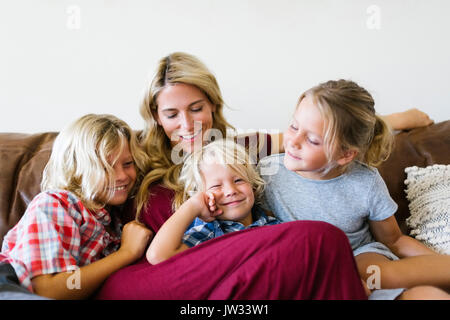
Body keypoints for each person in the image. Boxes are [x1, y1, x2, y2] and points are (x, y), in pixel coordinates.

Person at [96, 52, 432, 300]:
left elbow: (323, 136)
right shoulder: (133, 157)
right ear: (156, 117)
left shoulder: (242, 147)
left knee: (320, 243)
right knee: (320, 239)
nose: (187, 125)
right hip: (168, 271)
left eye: (196, 108)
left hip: (238, 276)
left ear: (213, 104)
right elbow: (83, 182)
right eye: (171, 114)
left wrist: (396, 119)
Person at [258, 79, 450, 299]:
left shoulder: (365, 182)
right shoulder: (267, 173)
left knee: (386, 278)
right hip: (305, 265)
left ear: (345, 154)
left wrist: (439, 261)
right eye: (293, 126)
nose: (293, 141)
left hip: (359, 257)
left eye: (312, 140)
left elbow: (394, 240)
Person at [0, 114, 153, 299]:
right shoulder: (56, 204)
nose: (121, 176)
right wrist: (126, 253)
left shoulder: (115, 220)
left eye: (128, 164)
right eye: (105, 167)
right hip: (10, 286)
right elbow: (47, 290)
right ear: (75, 169)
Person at [146, 139, 280, 265]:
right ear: (201, 195)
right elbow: (157, 255)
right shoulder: (206, 234)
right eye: (216, 186)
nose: (230, 191)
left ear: (253, 185)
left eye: (238, 180)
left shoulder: (274, 224)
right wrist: (193, 205)